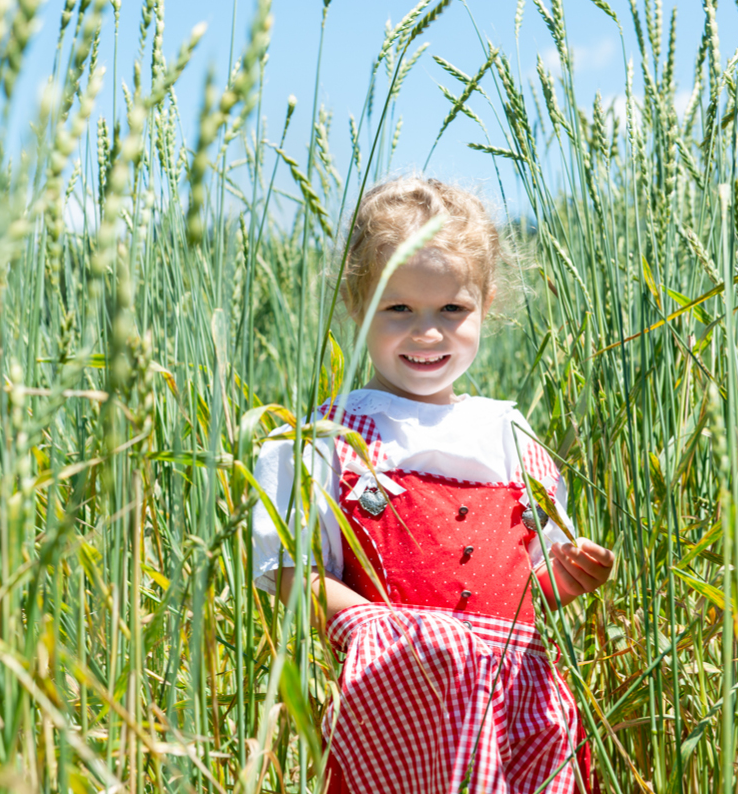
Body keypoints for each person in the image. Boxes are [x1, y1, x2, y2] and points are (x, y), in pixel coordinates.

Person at [251, 177, 614, 794]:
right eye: (399, 310)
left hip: (516, 710)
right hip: (401, 707)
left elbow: (527, 589)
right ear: (357, 303)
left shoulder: (509, 434)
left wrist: (568, 578)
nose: (427, 333)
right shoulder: (328, 440)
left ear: (486, 303)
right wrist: (374, 627)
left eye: (452, 309)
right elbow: (290, 569)